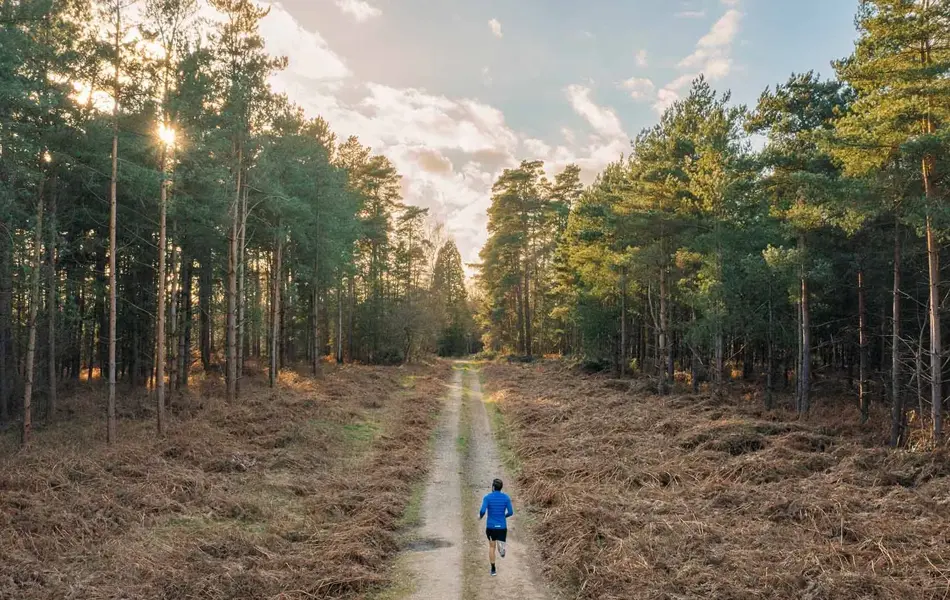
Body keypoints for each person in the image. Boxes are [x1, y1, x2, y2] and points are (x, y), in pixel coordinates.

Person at [478, 477, 514, 576]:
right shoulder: (506, 498)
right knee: (500, 542)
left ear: (493, 487)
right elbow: (510, 512)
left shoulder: (487, 497)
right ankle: (501, 547)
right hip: (502, 526)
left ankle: (493, 569)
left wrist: (480, 517)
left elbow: (482, 511)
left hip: (491, 527)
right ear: (501, 487)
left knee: (491, 546)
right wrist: (504, 516)